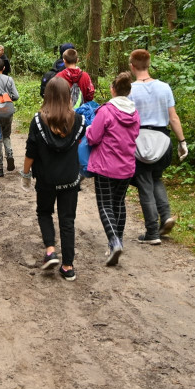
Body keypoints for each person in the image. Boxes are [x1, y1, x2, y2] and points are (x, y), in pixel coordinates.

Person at [20, 76, 88, 282]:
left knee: (44, 212)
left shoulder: (38, 121)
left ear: (47, 96)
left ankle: (51, 250)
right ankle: (68, 266)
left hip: (46, 179)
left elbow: (30, 151)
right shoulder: (79, 120)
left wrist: (25, 174)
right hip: (70, 179)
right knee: (68, 220)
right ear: (68, 96)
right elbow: (83, 148)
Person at [128, 49, 187, 244]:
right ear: (149, 64)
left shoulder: (130, 90)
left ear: (132, 66)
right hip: (163, 141)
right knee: (156, 178)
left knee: (145, 183)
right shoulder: (164, 87)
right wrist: (182, 142)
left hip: (140, 143)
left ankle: (152, 232)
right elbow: (173, 117)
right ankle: (166, 216)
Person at [85, 72, 140, 266]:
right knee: (119, 203)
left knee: (105, 205)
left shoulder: (106, 111)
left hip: (105, 166)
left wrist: (87, 130)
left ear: (113, 89)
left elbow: (93, 137)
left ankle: (114, 241)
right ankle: (119, 241)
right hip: (126, 166)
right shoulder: (135, 113)